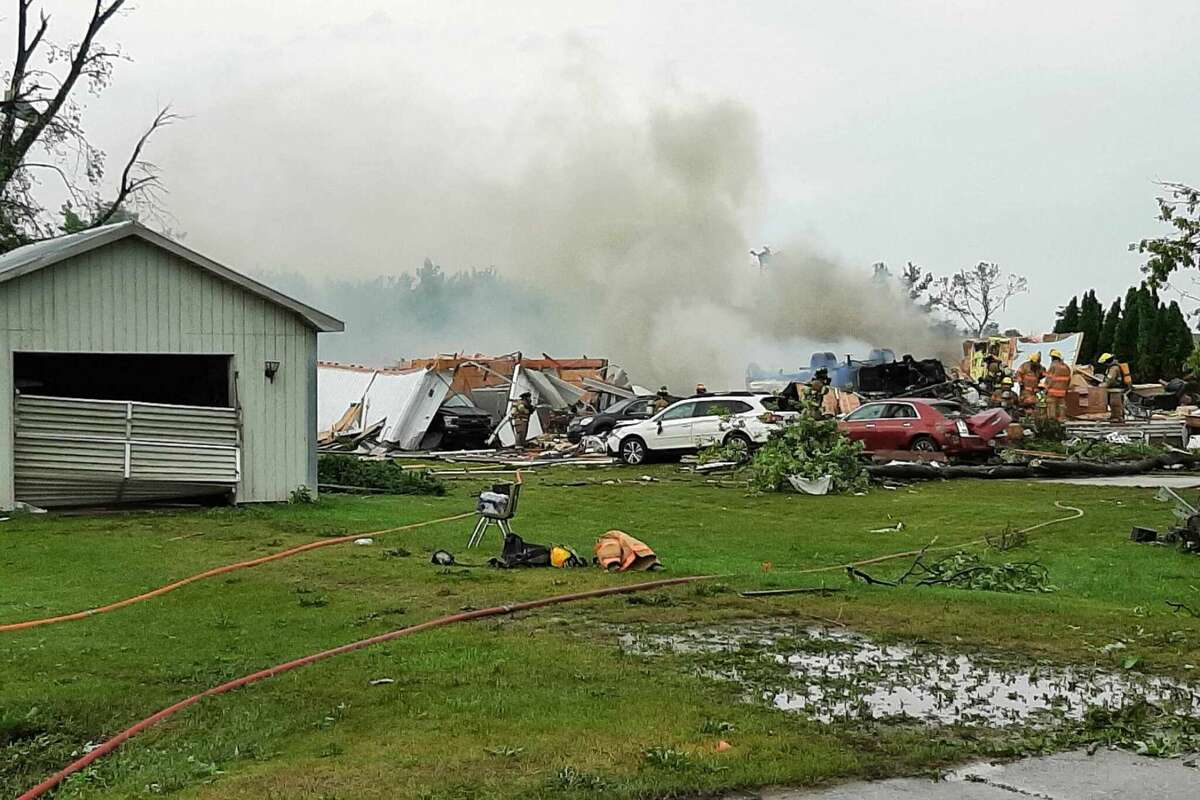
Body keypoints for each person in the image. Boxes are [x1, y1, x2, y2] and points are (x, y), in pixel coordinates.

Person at [1044, 348, 1072, 422]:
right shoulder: (1066, 367)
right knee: (1061, 406)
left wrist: (1046, 389)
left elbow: (1049, 379)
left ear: (1052, 358)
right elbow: (1069, 379)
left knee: (1051, 406)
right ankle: (1062, 419)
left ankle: (1052, 421)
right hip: (1062, 392)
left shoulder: (1053, 366)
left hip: (1053, 391)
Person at [1098, 352, 1126, 423]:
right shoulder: (1113, 367)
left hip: (1115, 389)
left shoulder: (1113, 368)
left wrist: (1102, 386)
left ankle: (1117, 418)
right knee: (1115, 404)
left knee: (1115, 404)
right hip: (1115, 389)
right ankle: (1117, 417)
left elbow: (1110, 380)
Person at [1014, 352, 1045, 416]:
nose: (1035, 364)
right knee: (1024, 402)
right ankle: (1022, 414)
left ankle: (1030, 414)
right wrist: (1020, 382)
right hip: (1025, 388)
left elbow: (1042, 375)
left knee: (1032, 403)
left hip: (1034, 390)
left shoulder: (1039, 367)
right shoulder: (1025, 365)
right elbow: (1018, 373)